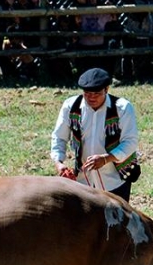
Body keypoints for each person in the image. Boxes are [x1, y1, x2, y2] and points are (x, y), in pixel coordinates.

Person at [50, 67, 140, 201]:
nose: (91, 97)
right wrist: (59, 163)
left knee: (117, 220)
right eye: (87, 93)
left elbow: (130, 142)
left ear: (107, 89)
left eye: (96, 93)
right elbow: (59, 137)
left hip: (115, 179)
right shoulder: (70, 106)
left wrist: (105, 159)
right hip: (83, 181)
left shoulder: (122, 108)